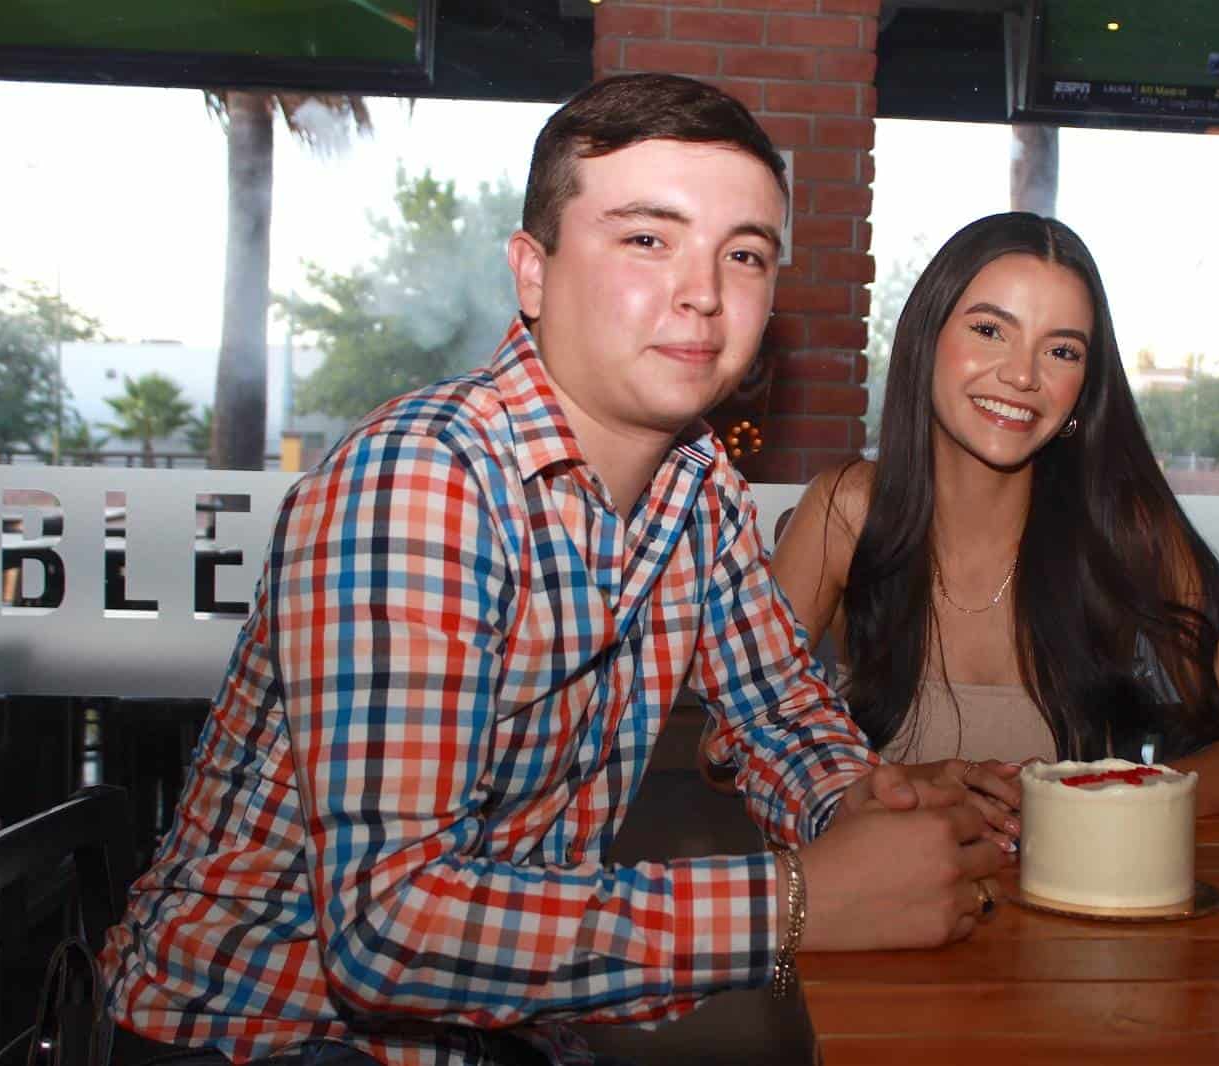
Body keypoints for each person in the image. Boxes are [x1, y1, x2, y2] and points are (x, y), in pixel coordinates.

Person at [98, 74, 1009, 1066]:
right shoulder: (425, 480)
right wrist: (798, 901)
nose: (703, 292)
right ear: (532, 273)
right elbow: (390, 930)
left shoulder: (694, 486)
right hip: (256, 1030)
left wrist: (865, 808)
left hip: (498, 1021)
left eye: (744, 254)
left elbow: (777, 709)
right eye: (647, 238)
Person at [766, 213, 1219, 816]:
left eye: (1062, 350)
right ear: (927, 338)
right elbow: (736, 751)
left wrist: (1090, 804)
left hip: (1078, 899)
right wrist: (905, 783)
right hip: (896, 898)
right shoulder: (848, 509)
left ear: (1083, 388)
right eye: (990, 330)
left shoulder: (1123, 526)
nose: (1021, 375)